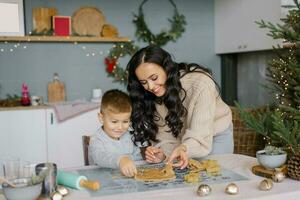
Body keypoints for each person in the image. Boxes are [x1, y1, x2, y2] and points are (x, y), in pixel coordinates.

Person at [127, 45, 233, 169]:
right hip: (182, 140)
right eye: (144, 82)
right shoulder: (153, 93)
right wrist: (162, 154)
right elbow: (165, 136)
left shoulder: (200, 83)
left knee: (215, 176)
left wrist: (184, 148)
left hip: (214, 134)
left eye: (154, 78)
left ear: (166, 68)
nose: (150, 86)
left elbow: (201, 133)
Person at [88, 89, 142, 177]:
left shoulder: (129, 136)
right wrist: (121, 160)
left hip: (127, 182)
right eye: (114, 122)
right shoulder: (96, 139)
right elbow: (100, 158)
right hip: (103, 182)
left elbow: (138, 157)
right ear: (101, 118)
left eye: (125, 122)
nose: (120, 127)